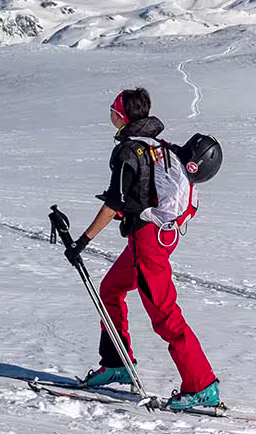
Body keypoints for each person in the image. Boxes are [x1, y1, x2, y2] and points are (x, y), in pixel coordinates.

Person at [66, 87, 222, 411]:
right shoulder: (157, 146)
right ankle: (116, 363)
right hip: (159, 236)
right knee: (110, 289)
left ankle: (202, 385)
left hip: (148, 243)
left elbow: (114, 202)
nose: (109, 111)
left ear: (121, 116)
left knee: (165, 316)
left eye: (113, 107)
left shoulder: (129, 151)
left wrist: (83, 241)